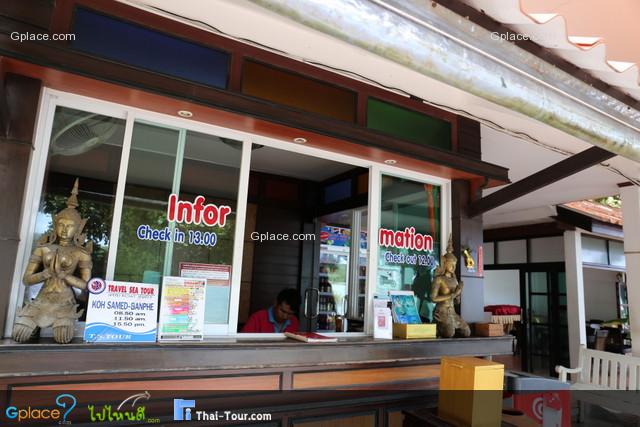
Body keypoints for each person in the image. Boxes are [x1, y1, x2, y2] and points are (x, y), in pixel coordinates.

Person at [13, 179, 92, 344]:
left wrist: (65, 276)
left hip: (65, 301)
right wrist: (45, 273)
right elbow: (26, 280)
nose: (64, 230)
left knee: (63, 337)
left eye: (70, 226)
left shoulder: (81, 253)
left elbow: (86, 286)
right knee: (19, 334)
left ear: (78, 229)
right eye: (61, 225)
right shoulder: (43, 248)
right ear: (55, 225)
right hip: (42, 298)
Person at [430, 236, 471, 338]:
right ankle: (438, 327)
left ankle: (446, 327)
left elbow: (456, 302)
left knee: (466, 332)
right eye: (451, 264)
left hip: (452, 312)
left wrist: (459, 293)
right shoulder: (439, 279)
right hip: (441, 312)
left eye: (455, 264)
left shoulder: (454, 280)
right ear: (444, 263)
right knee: (449, 333)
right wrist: (453, 294)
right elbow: (433, 298)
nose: (453, 267)